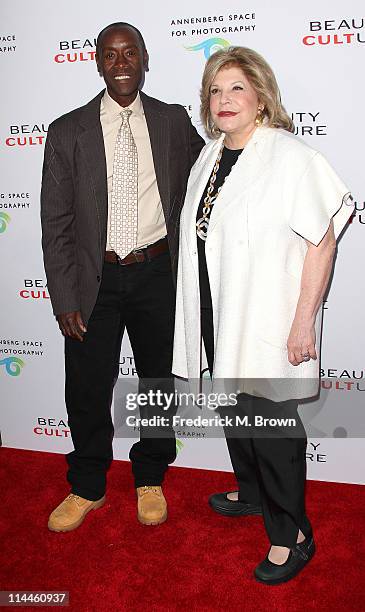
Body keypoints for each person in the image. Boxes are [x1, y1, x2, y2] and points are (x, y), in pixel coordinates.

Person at [172, 46, 353, 584]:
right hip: (218, 313)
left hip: (267, 319)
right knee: (237, 413)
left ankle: (292, 534)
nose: (224, 100)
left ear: (261, 97)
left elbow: (322, 240)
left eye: (236, 89)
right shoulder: (210, 155)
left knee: (272, 427)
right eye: (215, 90)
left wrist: (304, 320)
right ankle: (252, 493)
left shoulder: (289, 156)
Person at [41, 21, 204, 532]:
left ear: (145, 58)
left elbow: (212, 176)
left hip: (158, 273)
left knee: (157, 382)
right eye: (110, 55)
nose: (121, 63)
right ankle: (87, 484)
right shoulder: (67, 131)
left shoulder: (173, 120)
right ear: (97, 63)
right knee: (87, 388)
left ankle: (150, 475)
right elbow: (56, 222)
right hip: (95, 281)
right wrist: (64, 295)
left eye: (129, 52)